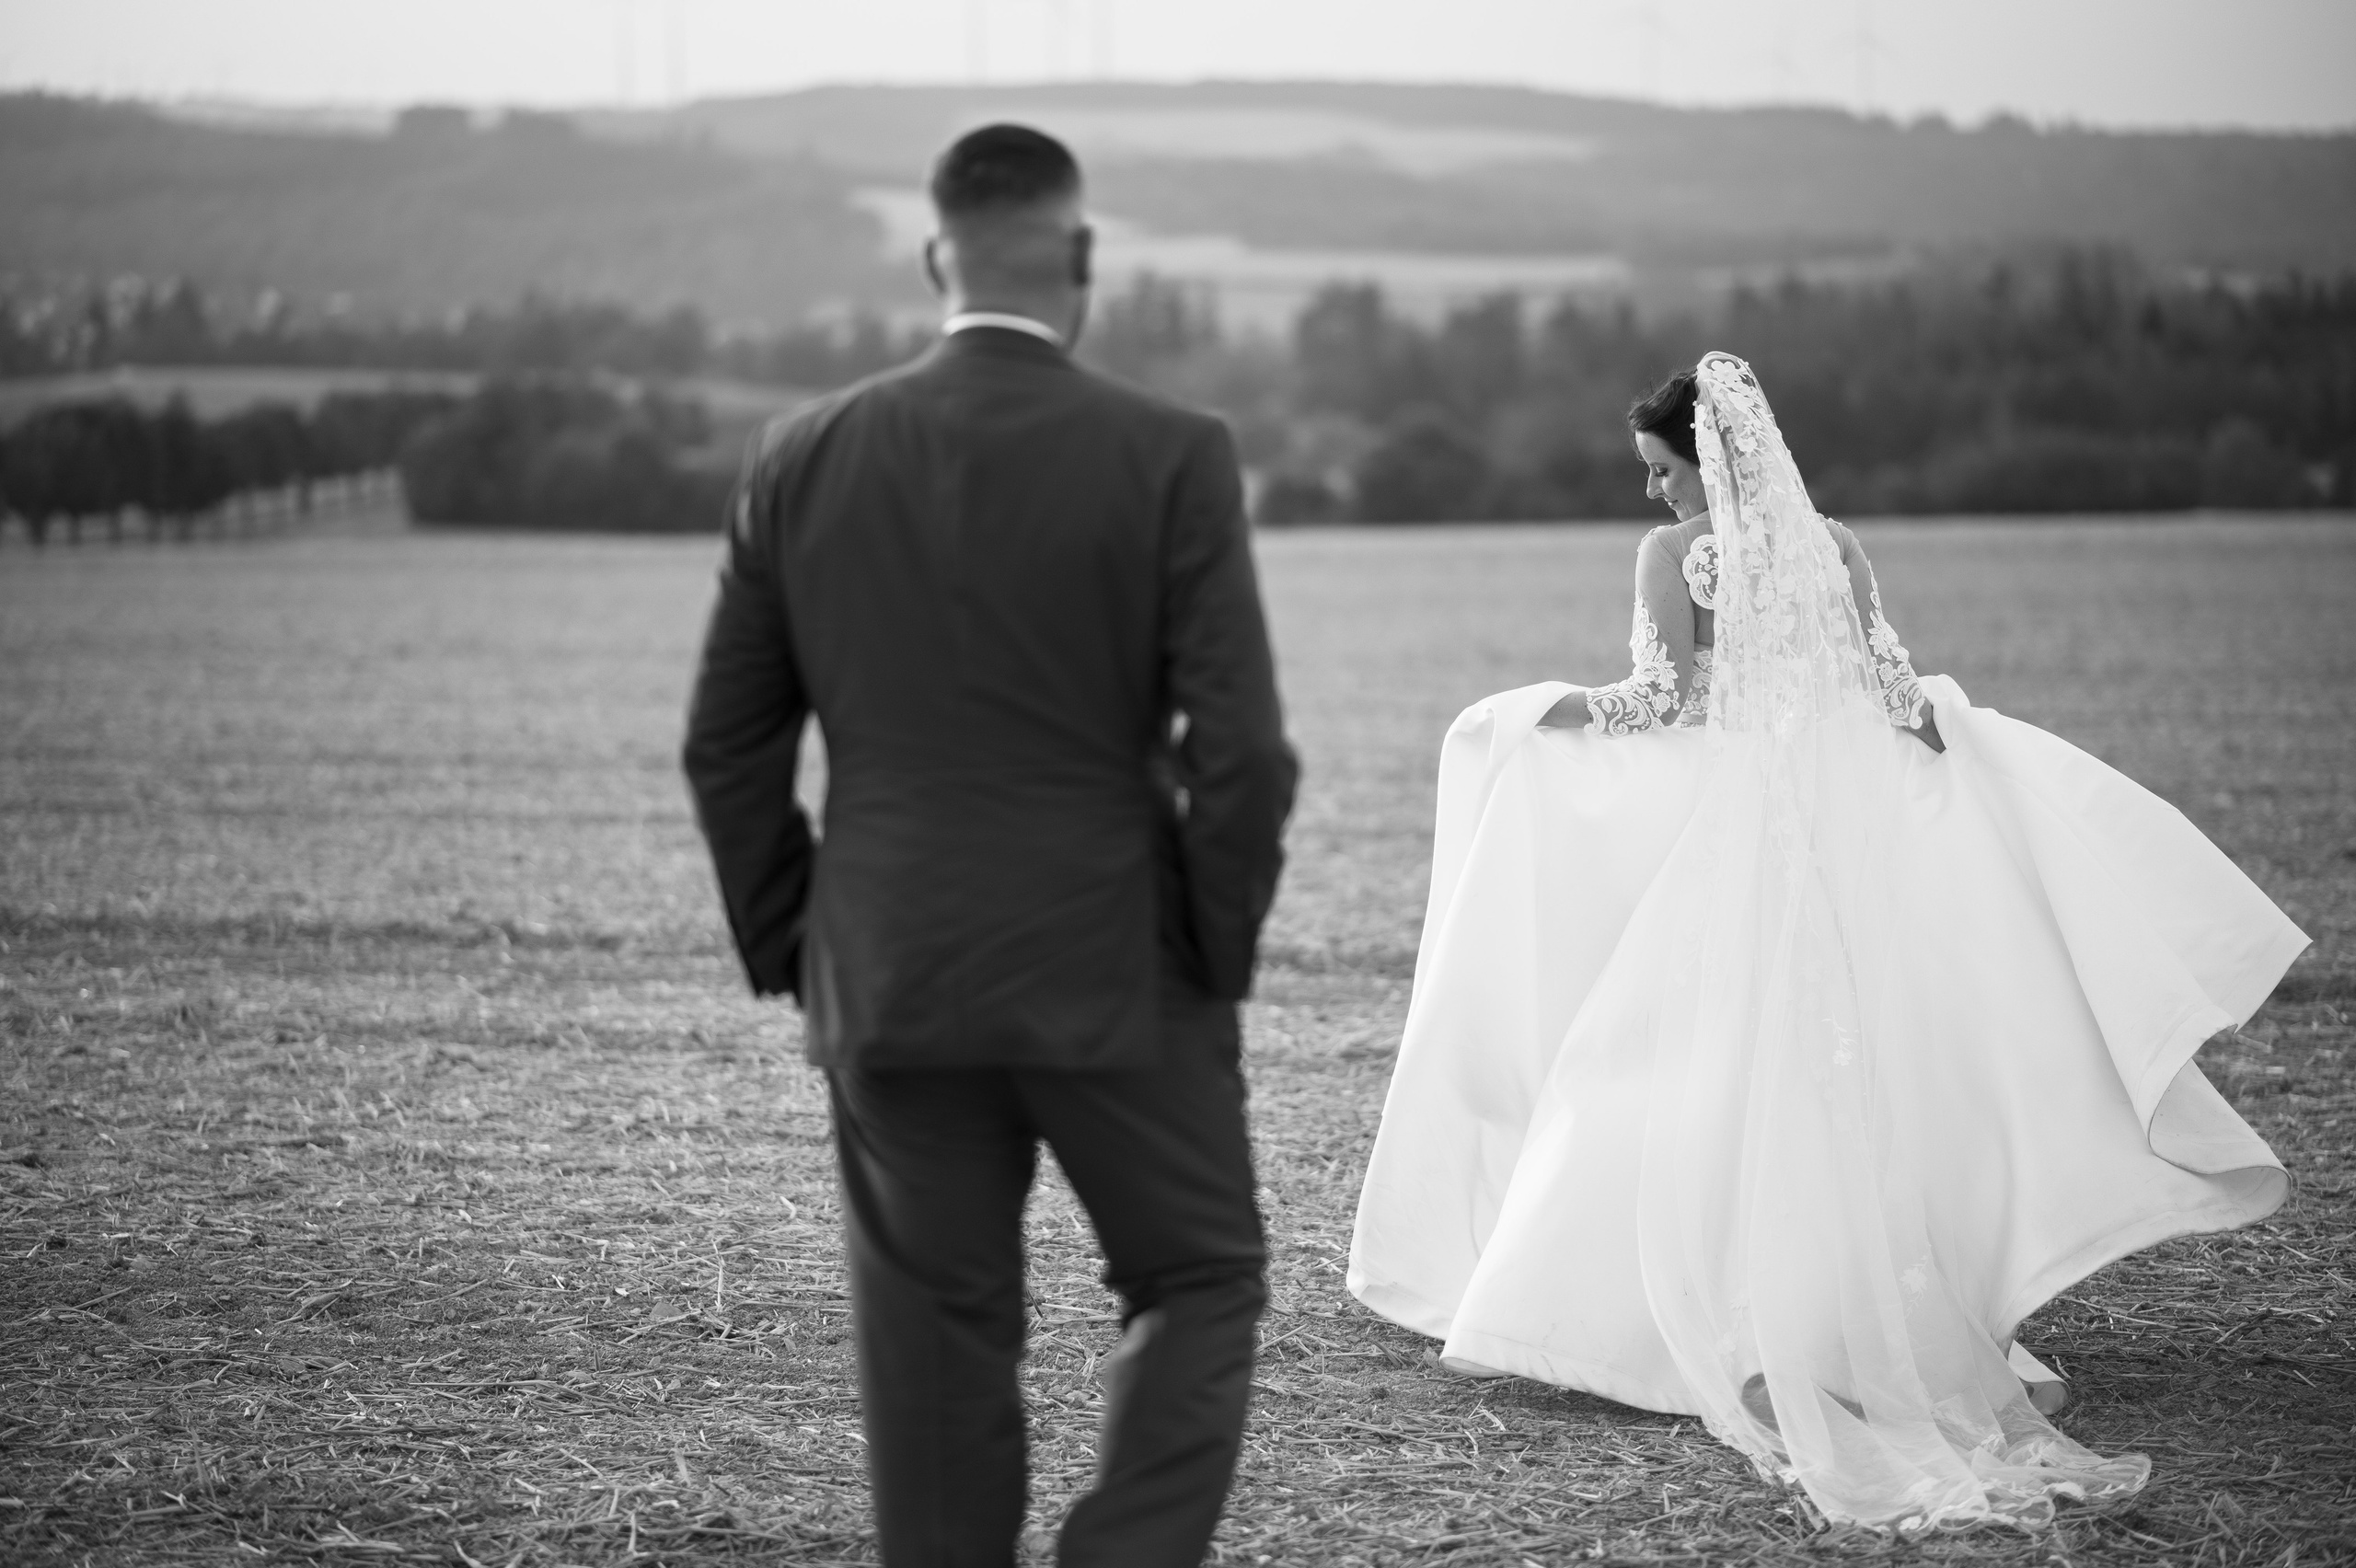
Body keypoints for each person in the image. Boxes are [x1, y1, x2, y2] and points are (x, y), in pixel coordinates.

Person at [1347, 352, 2306, 1528]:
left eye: (1658, 472)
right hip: (1837, 849)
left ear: (1703, 463)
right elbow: (1891, 692)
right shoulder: (1834, 544)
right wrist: (1962, 759)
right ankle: (1837, 1314)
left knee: (1675, 1060)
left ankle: (1652, 1318)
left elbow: (1661, 703)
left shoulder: (1674, 556)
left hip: (1738, 839)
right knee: (1828, 1071)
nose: (1652, 496)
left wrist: (1521, 716)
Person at [683, 124, 1298, 1567]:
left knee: (934, 1347)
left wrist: (805, 944)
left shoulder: (800, 456)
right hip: (1120, 967)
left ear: (931, 260)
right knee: (1200, 1276)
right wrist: (1207, 951)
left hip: (888, 973)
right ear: (1083, 260)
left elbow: (728, 745)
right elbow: (1246, 754)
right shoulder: (1171, 454)